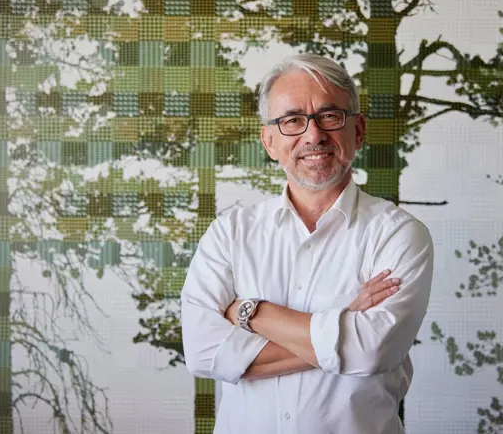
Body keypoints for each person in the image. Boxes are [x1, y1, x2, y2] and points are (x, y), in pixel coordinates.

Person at [180, 53, 434, 434]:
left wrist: (251, 312)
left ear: (358, 130)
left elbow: (371, 351)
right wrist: (343, 319)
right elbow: (202, 353)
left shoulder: (398, 234)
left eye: (330, 116)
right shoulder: (229, 233)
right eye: (292, 120)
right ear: (269, 141)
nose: (314, 135)